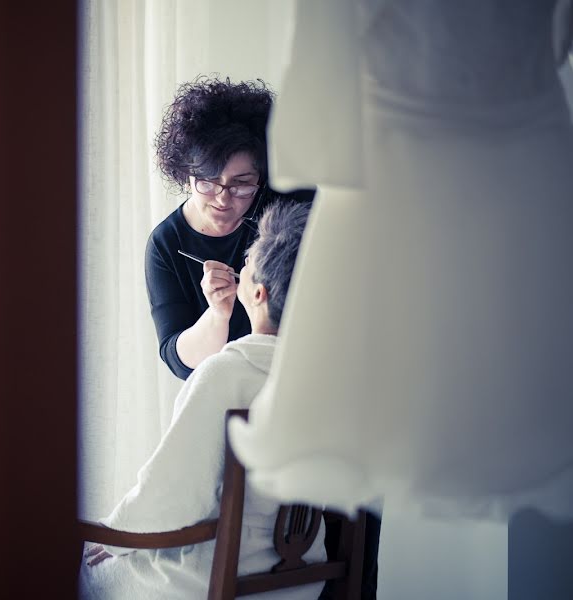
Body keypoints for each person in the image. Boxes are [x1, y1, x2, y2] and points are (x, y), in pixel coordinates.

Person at [230, 0, 573, 597]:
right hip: (525, 169)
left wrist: (317, 150)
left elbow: (322, 54)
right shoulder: (173, 248)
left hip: (401, 165)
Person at [80, 202, 325, 600]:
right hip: (303, 581)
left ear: (257, 293)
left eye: (246, 262)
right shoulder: (324, 379)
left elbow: (173, 499)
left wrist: (114, 536)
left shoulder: (226, 373)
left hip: (223, 577)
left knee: (85, 569)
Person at [145, 76, 314, 382]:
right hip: (229, 387)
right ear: (185, 175)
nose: (223, 198)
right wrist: (218, 314)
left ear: (262, 177)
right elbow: (179, 361)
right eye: (207, 181)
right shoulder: (166, 243)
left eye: (241, 184)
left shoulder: (289, 204)